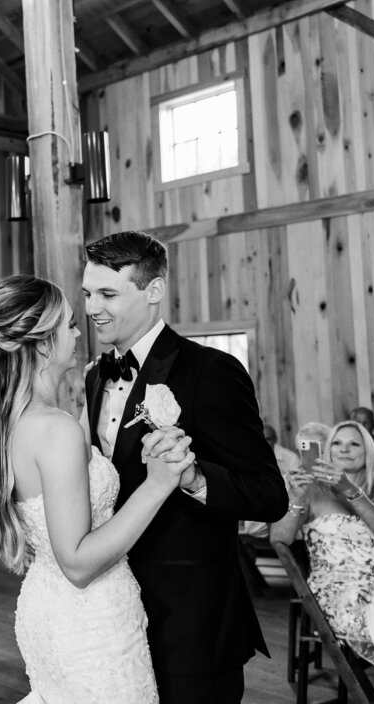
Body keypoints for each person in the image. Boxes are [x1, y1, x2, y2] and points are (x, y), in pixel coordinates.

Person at [0, 274, 193, 703]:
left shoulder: (14, 422)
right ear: (44, 343)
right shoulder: (55, 429)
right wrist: (158, 485)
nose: (79, 329)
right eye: (69, 324)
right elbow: (78, 564)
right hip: (90, 619)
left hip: (49, 606)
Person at [81, 231, 288, 703]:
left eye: (108, 293)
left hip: (190, 617)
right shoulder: (96, 376)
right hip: (113, 611)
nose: (93, 306)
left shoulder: (211, 371)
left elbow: (269, 494)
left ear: (153, 291)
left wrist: (194, 480)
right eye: (89, 293)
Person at [271, 420, 374, 701]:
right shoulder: (312, 490)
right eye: (337, 444)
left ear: (368, 451)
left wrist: (348, 487)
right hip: (342, 592)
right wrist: (294, 497)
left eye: (354, 443)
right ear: (326, 451)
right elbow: (279, 538)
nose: (344, 449)